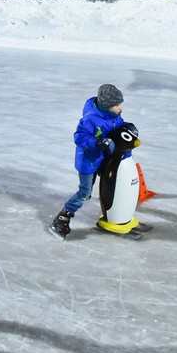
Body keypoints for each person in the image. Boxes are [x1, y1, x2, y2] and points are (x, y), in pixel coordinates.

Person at [50, 84, 138, 238]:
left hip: (104, 158)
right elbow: (79, 137)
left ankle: (116, 217)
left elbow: (117, 126)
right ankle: (63, 217)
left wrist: (127, 126)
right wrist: (98, 142)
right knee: (85, 193)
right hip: (89, 162)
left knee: (112, 185)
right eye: (117, 105)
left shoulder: (113, 115)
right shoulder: (91, 118)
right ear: (107, 106)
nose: (120, 108)